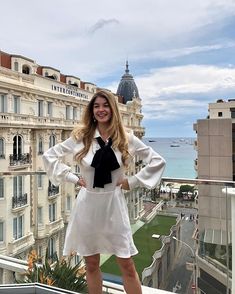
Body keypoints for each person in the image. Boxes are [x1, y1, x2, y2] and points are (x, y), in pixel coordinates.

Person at [42, 89, 166, 294]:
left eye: (105, 105)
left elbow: (157, 161)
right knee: (91, 265)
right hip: (87, 207)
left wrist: (132, 181)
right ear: (91, 111)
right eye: (96, 106)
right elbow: (49, 156)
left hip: (113, 207)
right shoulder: (81, 137)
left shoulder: (126, 138)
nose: (101, 110)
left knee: (127, 265)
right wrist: (72, 178)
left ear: (113, 109)